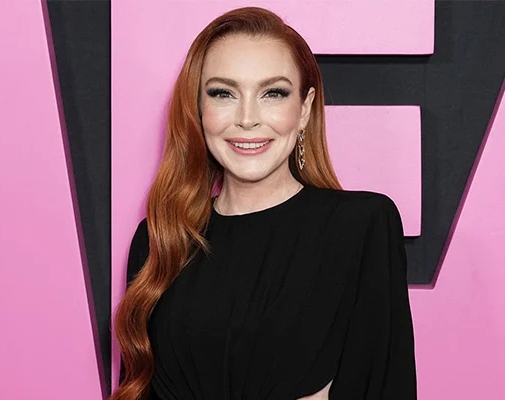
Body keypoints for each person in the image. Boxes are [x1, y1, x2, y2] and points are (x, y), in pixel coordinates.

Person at [112, 6, 416, 400]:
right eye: (223, 93)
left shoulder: (360, 228)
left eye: (273, 93)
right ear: (198, 110)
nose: (247, 118)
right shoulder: (161, 239)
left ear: (304, 109)